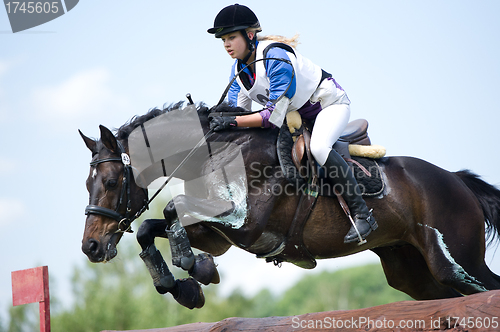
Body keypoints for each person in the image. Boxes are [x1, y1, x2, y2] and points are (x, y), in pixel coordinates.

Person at [207, 4, 377, 244]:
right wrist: (216, 120)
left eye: (231, 37)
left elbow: (270, 117)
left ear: (250, 35)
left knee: (318, 148)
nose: (226, 44)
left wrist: (232, 121)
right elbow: (237, 113)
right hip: (298, 115)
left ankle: (363, 214)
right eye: (223, 39)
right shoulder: (238, 72)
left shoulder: (275, 58)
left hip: (327, 106)